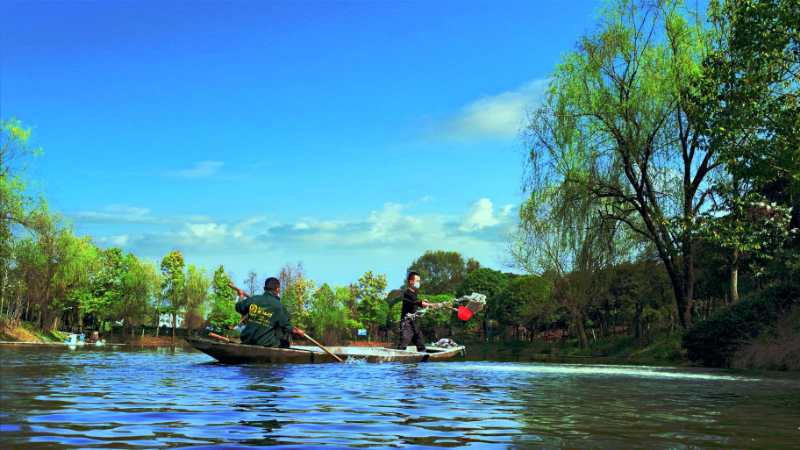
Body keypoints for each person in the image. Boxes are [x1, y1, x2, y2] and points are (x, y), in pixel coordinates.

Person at [234, 277, 305, 348]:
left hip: (247, 340)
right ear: (278, 289)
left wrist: (241, 296)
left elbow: (238, 307)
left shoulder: (253, 299)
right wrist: (298, 331)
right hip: (265, 343)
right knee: (285, 340)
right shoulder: (279, 306)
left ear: (264, 288)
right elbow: (287, 327)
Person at [397, 271, 430, 352]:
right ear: (411, 281)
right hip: (406, 324)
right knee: (402, 346)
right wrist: (426, 304)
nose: (419, 283)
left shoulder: (414, 294)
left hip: (414, 324)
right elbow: (417, 302)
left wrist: (424, 304)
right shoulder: (407, 293)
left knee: (421, 345)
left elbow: (416, 303)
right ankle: (396, 362)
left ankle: (423, 360)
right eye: (417, 281)